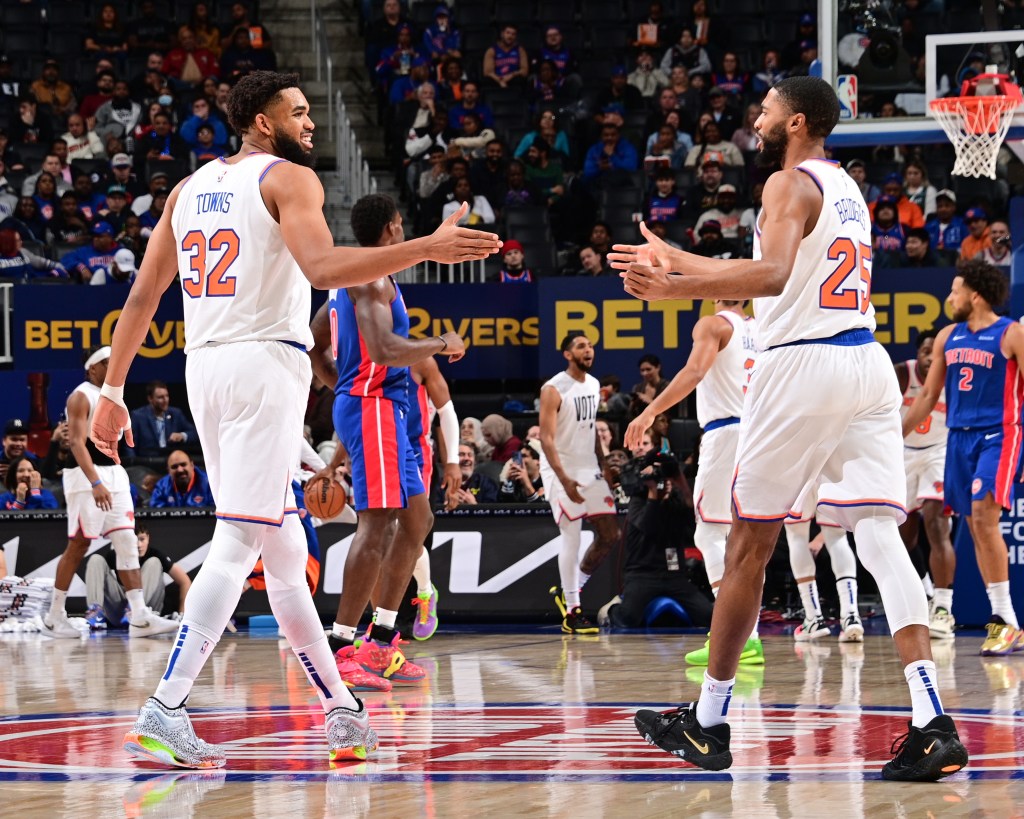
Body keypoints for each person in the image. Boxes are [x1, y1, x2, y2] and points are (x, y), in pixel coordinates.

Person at [89, 71, 499, 769]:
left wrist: (115, 388)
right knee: (242, 535)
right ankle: (167, 703)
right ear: (261, 122)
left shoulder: (187, 191)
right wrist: (423, 248)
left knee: (281, 554)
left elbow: (140, 297)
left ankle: (341, 709)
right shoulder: (286, 179)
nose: (311, 124)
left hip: (206, 370)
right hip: (262, 367)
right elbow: (325, 265)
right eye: (300, 113)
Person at [611, 76, 966, 780]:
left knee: (747, 545)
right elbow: (786, 272)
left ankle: (709, 721)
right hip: (865, 362)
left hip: (802, 366)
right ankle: (932, 720)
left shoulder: (785, 184)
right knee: (878, 538)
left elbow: (771, 275)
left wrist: (676, 282)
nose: (757, 115)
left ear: (795, 121)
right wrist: (684, 260)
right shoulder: (846, 189)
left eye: (767, 107)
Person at [308, 193, 466, 690]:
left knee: (418, 518)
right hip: (374, 406)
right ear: (394, 228)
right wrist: (442, 343)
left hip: (383, 406)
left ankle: (380, 639)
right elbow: (383, 348)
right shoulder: (370, 277)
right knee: (375, 526)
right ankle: (338, 647)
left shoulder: (356, 277)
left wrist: (339, 383)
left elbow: (315, 341)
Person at [625, 298, 761, 663]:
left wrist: (649, 412)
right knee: (744, 538)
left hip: (727, 432)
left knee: (710, 533)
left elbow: (694, 373)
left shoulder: (713, 325)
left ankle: (736, 635)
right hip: (760, 433)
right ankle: (749, 635)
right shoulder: (761, 327)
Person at [901, 260, 1023, 656]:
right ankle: (1003, 619)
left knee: (985, 519)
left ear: (975, 295)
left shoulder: (1012, 333)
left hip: (998, 435)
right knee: (974, 528)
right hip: (958, 439)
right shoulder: (948, 337)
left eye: (955, 291)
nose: (949, 297)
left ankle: (1006, 621)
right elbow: (926, 397)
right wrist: (892, 437)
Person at [41, 346, 177, 642]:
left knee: (127, 540)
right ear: (92, 368)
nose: (113, 366)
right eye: (106, 362)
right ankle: (54, 617)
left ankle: (140, 616)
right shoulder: (80, 395)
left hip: (114, 473)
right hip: (84, 473)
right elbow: (76, 443)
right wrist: (95, 482)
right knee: (78, 544)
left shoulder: (114, 395)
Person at [539, 332, 621, 634]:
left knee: (610, 534)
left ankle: (571, 589)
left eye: (590, 345)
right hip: (560, 468)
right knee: (571, 535)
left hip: (588, 466)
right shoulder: (553, 389)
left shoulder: (595, 384)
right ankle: (573, 611)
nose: (588, 350)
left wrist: (603, 464)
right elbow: (545, 439)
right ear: (568, 354)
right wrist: (564, 478)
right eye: (581, 346)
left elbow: (590, 432)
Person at [598, 453, 714, 628]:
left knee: (709, 617)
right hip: (642, 575)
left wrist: (678, 477)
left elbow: (692, 510)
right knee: (627, 619)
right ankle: (611, 609)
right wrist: (653, 492)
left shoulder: (676, 500)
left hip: (674, 576)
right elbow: (648, 525)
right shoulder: (638, 500)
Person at [896, 330, 956, 640]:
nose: (930, 357)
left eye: (936, 352)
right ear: (917, 353)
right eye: (925, 351)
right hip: (903, 453)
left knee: (936, 522)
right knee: (903, 540)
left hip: (939, 453)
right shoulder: (901, 373)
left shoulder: (952, 378)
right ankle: (925, 593)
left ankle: (944, 608)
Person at [404, 354, 463, 640]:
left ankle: (425, 593)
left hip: (415, 454)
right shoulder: (364, 358)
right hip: (377, 451)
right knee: (380, 537)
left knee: (410, 533)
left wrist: (452, 460)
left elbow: (447, 411)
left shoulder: (420, 360)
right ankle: (382, 619)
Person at [84, 523, 192, 629]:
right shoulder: (115, 554)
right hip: (121, 613)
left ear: (148, 538)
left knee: (154, 562)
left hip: (148, 611)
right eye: (134, 540)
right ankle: (95, 612)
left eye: (142, 539)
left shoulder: (156, 554)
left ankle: (136, 610)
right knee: (96, 559)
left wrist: (183, 614)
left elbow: (185, 581)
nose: (138, 545)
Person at [126, 380, 198, 459]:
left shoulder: (176, 414)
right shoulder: (138, 416)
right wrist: (134, 464)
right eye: (160, 397)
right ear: (150, 398)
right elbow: (130, 446)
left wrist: (182, 435)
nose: (165, 400)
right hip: (147, 462)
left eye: (167, 396)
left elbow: (195, 433)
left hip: (171, 461)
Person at [149, 450, 214, 507]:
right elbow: (156, 512)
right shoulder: (162, 486)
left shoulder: (209, 484)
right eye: (174, 467)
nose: (180, 470)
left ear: (192, 465)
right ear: (168, 470)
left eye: (183, 465)